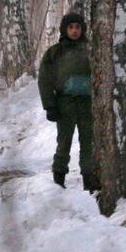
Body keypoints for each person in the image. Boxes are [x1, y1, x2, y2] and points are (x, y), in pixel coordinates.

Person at [38, 12, 97, 191]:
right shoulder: (55, 52)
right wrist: (50, 106)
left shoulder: (92, 50)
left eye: (77, 27)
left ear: (82, 29)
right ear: (64, 29)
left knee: (89, 143)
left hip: (88, 104)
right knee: (64, 143)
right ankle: (58, 180)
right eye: (70, 27)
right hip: (65, 104)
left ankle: (89, 180)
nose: (74, 31)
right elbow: (45, 80)